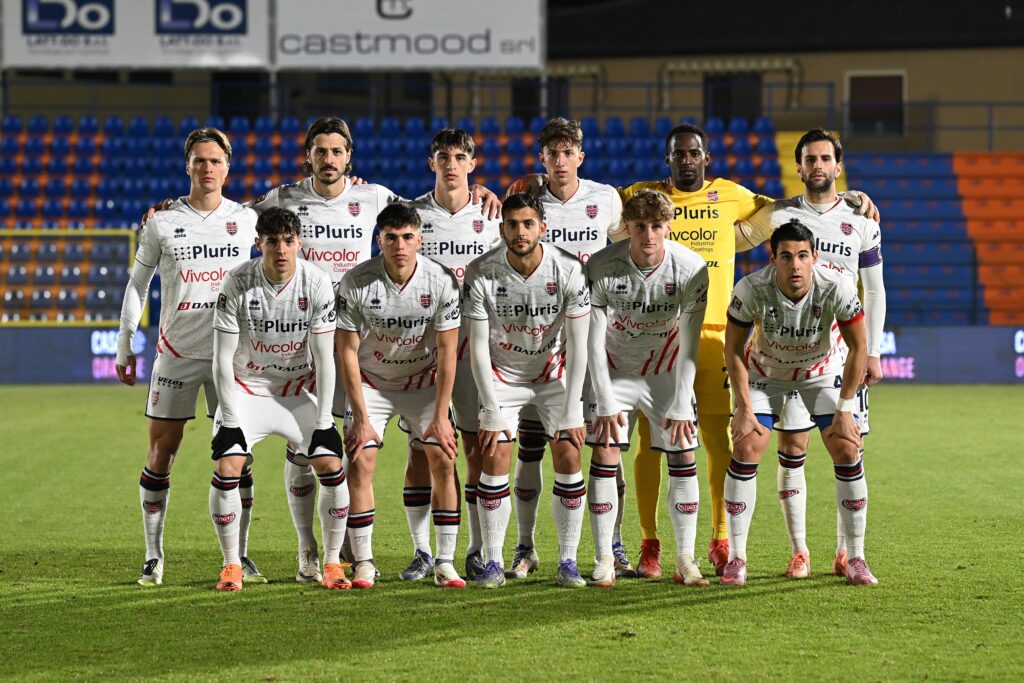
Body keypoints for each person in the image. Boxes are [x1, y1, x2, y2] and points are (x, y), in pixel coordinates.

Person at [735, 128, 886, 578]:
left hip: (840, 351)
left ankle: (846, 552)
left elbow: (875, 290)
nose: (817, 166)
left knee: (848, 445)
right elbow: (733, 237)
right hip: (783, 348)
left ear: (838, 166)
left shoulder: (862, 220)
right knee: (792, 445)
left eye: (825, 159)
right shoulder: (779, 214)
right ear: (798, 168)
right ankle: (800, 550)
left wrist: (873, 350)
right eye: (809, 160)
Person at [115, 127, 260, 587]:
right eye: (200, 160)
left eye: (215, 161)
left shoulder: (248, 219)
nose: (207, 168)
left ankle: (240, 556)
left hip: (231, 356)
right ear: (187, 166)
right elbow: (137, 285)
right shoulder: (161, 222)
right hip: (176, 354)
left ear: (228, 167)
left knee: (239, 459)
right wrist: (125, 343)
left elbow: (304, 213)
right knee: (161, 453)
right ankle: (153, 555)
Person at [503, 117, 630, 581]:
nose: (560, 160)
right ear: (542, 157)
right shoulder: (527, 200)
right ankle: (525, 547)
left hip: (597, 339)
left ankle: (612, 545)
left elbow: (631, 238)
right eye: (552, 153)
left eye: (568, 152)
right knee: (531, 447)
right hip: (539, 340)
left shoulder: (606, 198)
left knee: (605, 444)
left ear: (581, 156)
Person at [723, 218, 878, 587]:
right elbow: (732, 349)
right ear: (773, 258)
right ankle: (736, 558)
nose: (795, 265)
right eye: (786, 256)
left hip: (820, 372)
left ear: (814, 257)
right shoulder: (751, 288)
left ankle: (856, 557)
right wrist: (743, 407)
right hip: (767, 374)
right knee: (747, 446)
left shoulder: (836, 286)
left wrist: (845, 409)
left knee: (847, 447)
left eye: (802, 256)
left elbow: (859, 347)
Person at [208, 207, 348, 591]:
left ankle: (329, 562)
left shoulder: (317, 282)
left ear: (299, 243)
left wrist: (324, 422)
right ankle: (231, 565)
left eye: (288, 241)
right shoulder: (237, 282)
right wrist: (230, 421)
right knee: (228, 465)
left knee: (330, 462)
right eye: (272, 242)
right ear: (259, 244)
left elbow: (325, 358)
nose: (281, 250)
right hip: (247, 389)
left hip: (297, 392)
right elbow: (221, 359)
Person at [463, 193, 591, 588]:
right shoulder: (481, 272)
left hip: (553, 376)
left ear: (542, 228)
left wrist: (573, 409)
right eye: (513, 224)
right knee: (494, 455)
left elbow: (579, 343)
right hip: (503, 377)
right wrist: (490, 408)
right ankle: (493, 562)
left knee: (569, 453)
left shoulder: (568, 269)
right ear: (502, 229)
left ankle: (567, 561)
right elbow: (478, 347)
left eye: (528, 224)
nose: (521, 231)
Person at [336, 202, 465, 589]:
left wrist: (440, 417)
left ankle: (444, 562)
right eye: (391, 238)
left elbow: (447, 351)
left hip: (422, 382)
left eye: (408, 237)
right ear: (379, 241)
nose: (400, 246)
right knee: (360, 461)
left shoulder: (440, 281)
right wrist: (361, 418)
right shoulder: (357, 281)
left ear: (420, 239)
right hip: (373, 383)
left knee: (443, 456)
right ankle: (363, 562)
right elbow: (346, 350)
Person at [584, 191, 709, 587]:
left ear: (668, 226)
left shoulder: (691, 267)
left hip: (666, 372)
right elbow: (592, 341)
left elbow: (690, 341)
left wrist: (682, 401)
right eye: (640, 227)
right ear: (627, 227)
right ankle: (605, 558)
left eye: (656, 226)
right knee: (605, 452)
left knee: (683, 453)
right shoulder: (602, 265)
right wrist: (605, 399)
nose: (649, 235)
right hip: (615, 370)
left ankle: (685, 560)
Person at [400, 129, 502, 582]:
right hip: (424, 352)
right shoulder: (412, 215)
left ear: (472, 164)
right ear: (432, 162)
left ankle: (478, 550)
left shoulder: (492, 215)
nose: (452, 164)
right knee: (422, 450)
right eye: (444, 156)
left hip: (476, 350)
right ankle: (423, 551)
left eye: (460, 157)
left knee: (478, 450)